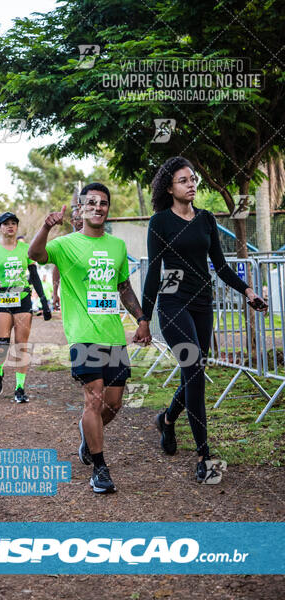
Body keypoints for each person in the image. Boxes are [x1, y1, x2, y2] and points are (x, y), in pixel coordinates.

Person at [141, 156, 268, 483]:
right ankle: (203, 453)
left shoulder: (206, 219)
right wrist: (144, 317)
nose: (192, 184)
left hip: (202, 303)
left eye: (193, 178)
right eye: (184, 180)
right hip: (172, 304)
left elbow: (221, 267)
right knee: (194, 368)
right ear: (169, 187)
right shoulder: (160, 222)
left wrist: (248, 291)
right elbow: (154, 272)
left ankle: (168, 420)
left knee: (196, 371)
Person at [29, 183, 151, 494]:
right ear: (82, 209)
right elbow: (35, 254)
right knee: (93, 399)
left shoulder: (117, 247)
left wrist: (141, 320)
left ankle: (88, 435)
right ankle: (100, 468)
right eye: (92, 203)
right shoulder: (66, 245)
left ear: (108, 209)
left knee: (113, 404)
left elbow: (123, 287)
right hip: (82, 334)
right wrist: (45, 227)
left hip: (112, 334)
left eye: (104, 203)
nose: (98, 207)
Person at [0, 212, 51, 404]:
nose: (10, 227)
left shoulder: (26, 249)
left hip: (23, 300)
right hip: (2, 300)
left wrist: (44, 302)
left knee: (21, 345)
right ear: (0, 227)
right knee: (1, 346)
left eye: (13, 223)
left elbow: (35, 277)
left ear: (17, 227)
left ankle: (20, 388)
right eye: (6, 224)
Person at [52, 205, 83, 310]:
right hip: (72, 296)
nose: (81, 221)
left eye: (84, 217)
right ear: (72, 222)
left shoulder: (99, 241)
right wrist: (55, 292)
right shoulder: (65, 243)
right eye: (77, 219)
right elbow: (57, 268)